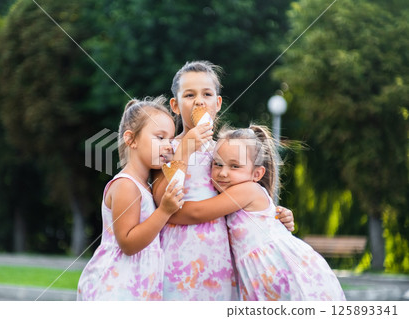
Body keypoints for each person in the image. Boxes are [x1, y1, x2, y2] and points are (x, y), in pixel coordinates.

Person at [152, 61, 294, 300]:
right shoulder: (167, 149)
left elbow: (242, 199)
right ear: (175, 106)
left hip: (219, 259)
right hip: (178, 259)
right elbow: (160, 198)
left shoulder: (223, 153)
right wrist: (184, 150)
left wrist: (275, 215)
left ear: (217, 104)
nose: (199, 101)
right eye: (189, 95)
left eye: (207, 94)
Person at [169, 125, 346, 301]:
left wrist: (166, 212)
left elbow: (196, 213)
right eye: (217, 164)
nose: (223, 173)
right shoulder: (231, 194)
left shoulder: (248, 190)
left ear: (257, 174)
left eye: (234, 166)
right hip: (263, 276)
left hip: (285, 273)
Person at [77, 96, 184, 300]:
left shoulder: (145, 187)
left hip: (136, 288)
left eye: (171, 139)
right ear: (131, 139)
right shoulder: (126, 185)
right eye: (160, 138)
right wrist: (164, 211)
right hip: (116, 287)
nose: (169, 146)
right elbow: (128, 243)